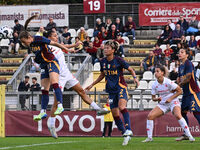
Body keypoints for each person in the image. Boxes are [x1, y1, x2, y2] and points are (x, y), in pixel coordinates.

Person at [45, 30, 110, 138]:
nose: (57, 37)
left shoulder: (57, 45)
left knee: (81, 91)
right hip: (58, 76)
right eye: (54, 36)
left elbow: (64, 46)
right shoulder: (46, 47)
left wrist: (74, 46)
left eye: (56, 35)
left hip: (67, 74)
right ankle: (51, 125)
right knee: (56, 102)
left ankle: (98, 109)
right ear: (49, 38)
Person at [85, 40, 139, 146]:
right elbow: (102, 75)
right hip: (111, 91)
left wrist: (135, 79)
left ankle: (128, 129)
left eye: (108, 48)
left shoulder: (119, 60)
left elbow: (131, 69)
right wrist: (92, 84)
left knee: (122, 107)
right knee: (115, 114)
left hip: (121, 88)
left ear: (113, 50)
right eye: (104, 48)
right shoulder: (102, 61)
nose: (105, 49)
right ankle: (125, 134)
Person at [19, 15, 73, 121]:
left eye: (24, 42)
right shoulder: (30, 45)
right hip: (44, 65)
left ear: (28, 37)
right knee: (44, 89)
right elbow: (39, 54)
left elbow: (55, 43)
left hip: (52, 62)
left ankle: (60, 105)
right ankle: (43, 112)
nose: (24, 44)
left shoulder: (38, 38)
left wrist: (68, 50)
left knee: (54, 83)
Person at [142, 65, 195, 143]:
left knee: (178, 115)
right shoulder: (154, 85)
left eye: (157, 71)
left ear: (162, 73)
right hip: (163, 104)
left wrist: (170, 98)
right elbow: (153, 98)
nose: (155, 73)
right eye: (155, 71)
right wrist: (157, 99)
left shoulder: (168, 82)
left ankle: (190, 136)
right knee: (150, 116)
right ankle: (149, 138)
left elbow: (180, 91)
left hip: (173, 101)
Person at [176, 48, 200, 141]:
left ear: (187, 55)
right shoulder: (180, 66)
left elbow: (188, 77)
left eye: (182, 52)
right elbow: (179, 79)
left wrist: (179, 84)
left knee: (196, 112)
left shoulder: (188, 63)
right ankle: (186, 134)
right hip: (186, 94)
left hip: (193, 92)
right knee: (182, 113)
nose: (180, 54)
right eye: (179, 52)